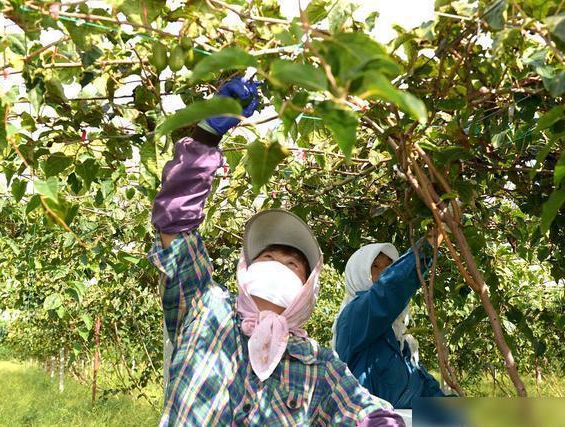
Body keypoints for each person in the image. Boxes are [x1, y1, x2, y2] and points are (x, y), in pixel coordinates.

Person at [148, 77, 405, 426]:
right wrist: (208, 133)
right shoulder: (204, 310)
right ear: (246, 271)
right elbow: (175, 223)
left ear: (306, 291)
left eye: (291, 265)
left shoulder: (318, 365)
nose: (276, 267)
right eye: (267, 258)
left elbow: (363, 409)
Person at [332, 242, 447, 409]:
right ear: (358, 273)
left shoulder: (400, 339)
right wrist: (426, 246)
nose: (384, 273)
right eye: (376, 266)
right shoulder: (354, 317)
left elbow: (422, 387)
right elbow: (387, 292)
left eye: (388, 267)